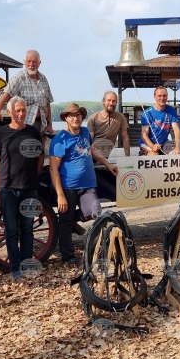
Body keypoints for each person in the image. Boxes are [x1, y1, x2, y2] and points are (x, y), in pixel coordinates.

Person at [49, 103, 118, 266]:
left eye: (78, 115)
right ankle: (68, 256)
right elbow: (53, 169)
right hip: (68, 187)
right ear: (66, 118)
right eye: (72, 115)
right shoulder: (60, 140)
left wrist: (108, 164)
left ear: (82, 117)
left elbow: (93, 150)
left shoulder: (86, 132)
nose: (76, 118)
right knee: (65, 223)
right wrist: (60, 195)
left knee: (94, 212)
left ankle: (70, 219)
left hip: (87, 185)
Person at [0, 96, 44, 280]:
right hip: (8, 188)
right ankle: (15, 269)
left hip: (29, 187)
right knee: (11, 230)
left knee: (27, 229)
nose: (21, 114)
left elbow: (40, 158)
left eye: (23, 110)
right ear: (9, 112)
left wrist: (34, 176)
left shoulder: (33, 132)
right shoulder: (1, 133)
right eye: (17, 110)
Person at [0, 50, 54, 136]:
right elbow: (6, 94)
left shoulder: (43, 79)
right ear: (24, 62)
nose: (31, 64)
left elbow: (47, 103)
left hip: (42, 126)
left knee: (40, 144)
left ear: (39, 63)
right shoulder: (18, 78)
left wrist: (49, 124)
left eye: (34, 62)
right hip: (25, 125)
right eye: (29, 61)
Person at [87, 91, 131, 158]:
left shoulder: (120, 117)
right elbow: (89, 140)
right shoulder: (93, 118)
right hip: (94, 154)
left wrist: (127, 157)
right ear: (103, 102)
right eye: (109, 100)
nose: (111, 103)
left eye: (114, 101)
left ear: (116, 103)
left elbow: (125, 138)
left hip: (107, 152)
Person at [140, 86, 180, 155]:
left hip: (164, 143)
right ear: (154, 97)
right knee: (154, 155)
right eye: (159, 96)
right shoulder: (147, 113)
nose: (162, 98)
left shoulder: (171, 110)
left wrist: (177, 148)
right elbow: (144, 135)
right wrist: (153, 146)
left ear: (167, 97)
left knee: (178, 154)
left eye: (164, 96)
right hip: (148, 144)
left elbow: (176, 129)